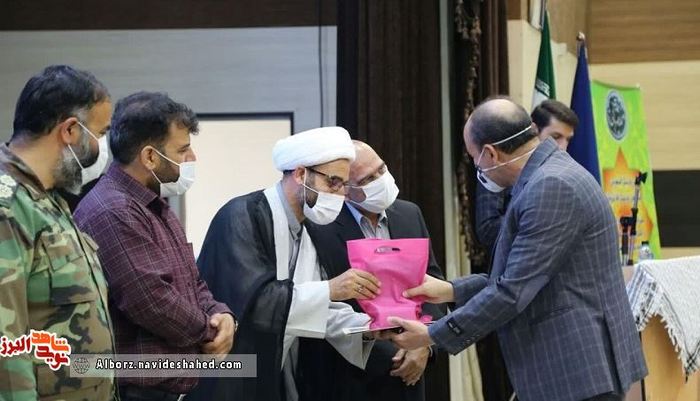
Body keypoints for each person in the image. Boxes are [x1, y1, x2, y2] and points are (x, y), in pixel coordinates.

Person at [381, 97, 647, 401]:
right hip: (573, 366)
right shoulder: (547, 175)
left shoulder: (550, 187)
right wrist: (450, 290)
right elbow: (524, 275)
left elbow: (513, 291)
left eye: (475, 158)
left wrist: (432, 334)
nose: (478, 168)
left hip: (577, 368)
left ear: (490, 153)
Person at [187, 127, 378, 401]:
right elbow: (257, 305)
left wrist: (369, 328)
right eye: (333, 182)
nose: (339, 194)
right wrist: (331, 289)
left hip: (272, 370)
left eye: (343, 185)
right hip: (227, 372)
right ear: (300, 174)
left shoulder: (309, 228)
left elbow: (310, 307)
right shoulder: (240, 216)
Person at [74, 92, 235, 401]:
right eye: (183, 150)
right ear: (149, 157)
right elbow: (151, 301)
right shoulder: (114, 210)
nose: (192, 159)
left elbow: (192, 282)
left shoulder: (155, 205)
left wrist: (222, 314)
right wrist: (210, 331)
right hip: (135, 392)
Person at [0, 65, 115, 400]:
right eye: (100, 133)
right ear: (70, 130)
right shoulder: (9, 206)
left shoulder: (49, 198)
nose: (102, 148)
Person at [300, 140, 447, 401]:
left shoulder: (409, 213)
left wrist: (425, 342)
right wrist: (389, 349)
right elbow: (318, 303)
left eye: (382, 169)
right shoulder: (319, 225)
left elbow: (433, 281)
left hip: (411, 372)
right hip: (347, 377)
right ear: (345, 189)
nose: (381, 180)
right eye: (368, 179)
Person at [475, 99, 579, 251]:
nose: (563, 147)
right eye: (556, 137)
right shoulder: (503, 164)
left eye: (568, 139)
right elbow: (487, 228)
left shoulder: (567, 171)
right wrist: (539, 218)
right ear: (535, 131)